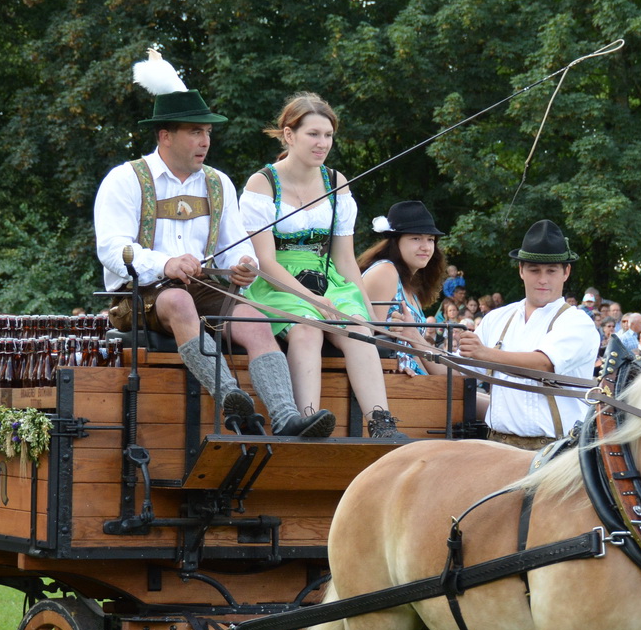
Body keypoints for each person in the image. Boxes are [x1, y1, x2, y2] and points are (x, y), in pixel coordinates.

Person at [95, 53, 333, 438]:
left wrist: (243, 264)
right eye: (195, 132)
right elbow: (111, 249)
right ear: (165, 136)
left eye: (207, 132)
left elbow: (234, 249)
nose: (205, 141)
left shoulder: (218, 182)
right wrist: (166, 263)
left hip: (205, 288)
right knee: (177, 300)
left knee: (255, 319)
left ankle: (288, 418)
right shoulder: (125, 180)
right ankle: (229, 397)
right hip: (138, 296)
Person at [241, 93, 405, 440]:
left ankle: (381, 424)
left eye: (328, 135)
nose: (322, 143)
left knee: (359, 329)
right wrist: (314, 302)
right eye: (313, 134)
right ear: (289, 135)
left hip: (326, 277)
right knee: (307, 328)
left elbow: (345, 258)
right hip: (277, 280)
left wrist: (367, 310)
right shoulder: (262, 184)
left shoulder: (336, 182)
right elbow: (266, 261)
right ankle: (308, 422)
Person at [456, 220, 600, 450]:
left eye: (551, 271)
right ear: (521, 270)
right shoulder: (497, 318)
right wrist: (415, 342)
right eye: (534, 270)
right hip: (496, 445)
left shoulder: (577, 321)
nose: (542, 279)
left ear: (566, 272)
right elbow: (458, 372)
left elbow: (543, 365)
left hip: (556, 453)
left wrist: (484, 353)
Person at [357, 201, 449, 377]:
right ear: (395, 242)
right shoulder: (385, 271)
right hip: (390, 378)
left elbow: (417, 351)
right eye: (416, 238)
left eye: (430, 239)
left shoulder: (411, 287)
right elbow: (371, 337)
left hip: (414, 377)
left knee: (477, 394)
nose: (426, 246)